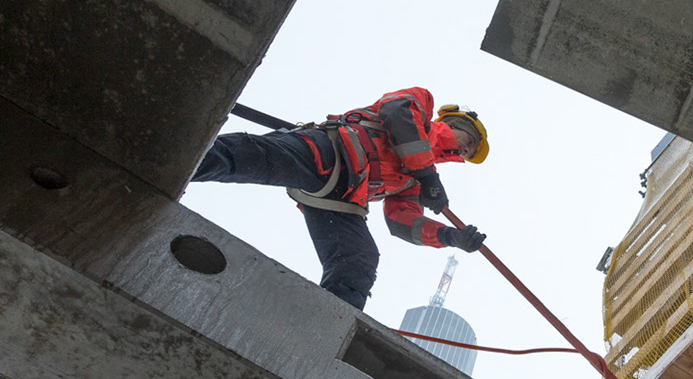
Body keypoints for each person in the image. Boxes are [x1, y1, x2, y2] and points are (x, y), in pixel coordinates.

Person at [192, 88, 488, 309]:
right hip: (330, 151)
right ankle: (177, 153)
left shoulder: (412, 178)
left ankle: (325, 326)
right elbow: (397, 113)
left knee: (358, 259)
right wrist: (427, 175)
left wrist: (449, 236)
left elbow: (401, 221)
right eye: (469, 143)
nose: (465, 151)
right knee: (246, 158)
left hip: (341, 200)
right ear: (457, 123)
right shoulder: (422, 107)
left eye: (468, 153)